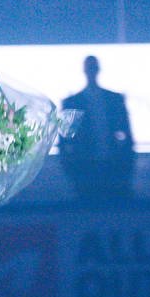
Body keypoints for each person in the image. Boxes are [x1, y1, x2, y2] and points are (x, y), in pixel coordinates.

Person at [57, 55, 135, 200]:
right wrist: (71, 169)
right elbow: (64, 141)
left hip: (113, 169)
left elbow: (128, 136)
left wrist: (126, 164)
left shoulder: (114, 100)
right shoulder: (72, 102)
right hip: (85, 171)